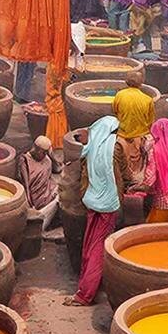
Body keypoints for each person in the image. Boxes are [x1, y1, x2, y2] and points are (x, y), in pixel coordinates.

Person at [65, 116, 126, 306]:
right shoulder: (115, 148)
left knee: (89, 242)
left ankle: (85, 283)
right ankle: (86, 294)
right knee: (100, 248)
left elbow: (77, 156)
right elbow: (124, 171)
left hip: (91, 200)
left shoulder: (90, 148)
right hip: (109, 204)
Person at [112, 72, 156, 179]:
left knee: (121, 165)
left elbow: (115, 111)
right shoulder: (148, 100)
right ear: (141, 83)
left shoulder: (120, 95)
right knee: (137, 170)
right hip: (139, 138)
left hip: (122, 135)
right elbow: (151, 122)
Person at [18, 135, 62, 236]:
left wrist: (51, 156)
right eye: (42, 152)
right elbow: (26, 186)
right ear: (36, 149)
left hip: (47, 193)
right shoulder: (24, 161)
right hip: (35, 199)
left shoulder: (47, 160)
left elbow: (58, 169)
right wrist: (30, 205)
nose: (43, 155)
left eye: (46, 152)